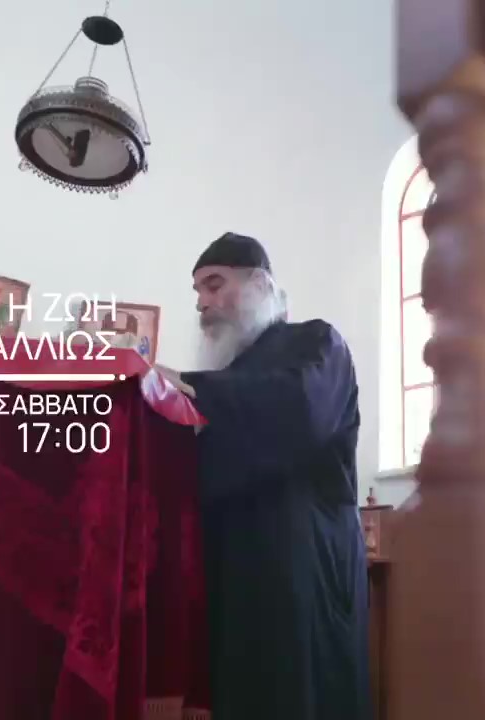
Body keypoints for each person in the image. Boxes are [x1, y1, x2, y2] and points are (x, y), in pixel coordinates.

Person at [155, 232, 370, 720]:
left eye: (214, 285)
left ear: (260, 284)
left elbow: (300, 408)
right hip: (232, 569)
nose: (202, 303)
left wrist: (188, 389)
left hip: (303, 568)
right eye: (197, 292)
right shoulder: (229, 371)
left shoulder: (316, 341)